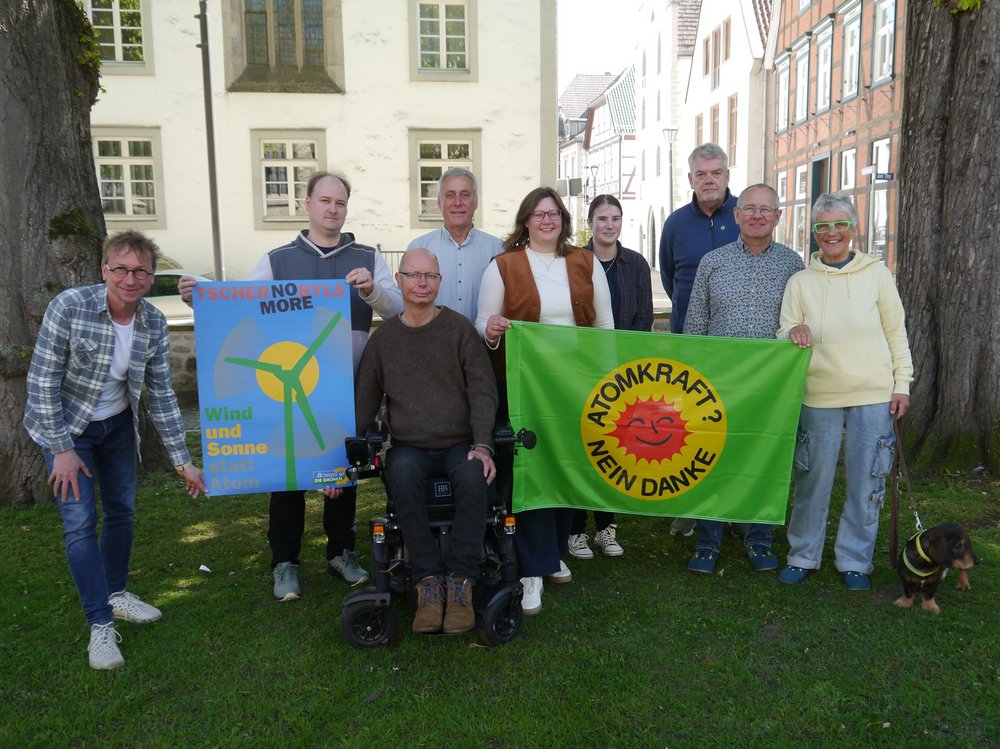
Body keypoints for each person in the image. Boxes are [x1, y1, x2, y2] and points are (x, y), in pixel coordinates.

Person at [180, 171, 403, 601]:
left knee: (343, 471)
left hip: (346, 388)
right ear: (307, 204)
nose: (332, 209)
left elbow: (395, 309)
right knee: (287, 474)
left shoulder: (368, 256)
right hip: (288, 387)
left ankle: (341, 552)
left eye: (340, 202)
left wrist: (373, 290)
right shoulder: (277, 259)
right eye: (325, 201)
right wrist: (201, 298)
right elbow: (241, 307)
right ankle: (285, 561)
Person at [24, 230, 209, 670]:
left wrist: (183, 462)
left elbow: (161, 395)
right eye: (121, 269)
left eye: (141, 271)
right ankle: (100, 624)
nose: (130, 279)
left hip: (119, 426)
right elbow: (42, 382)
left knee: (122, 510)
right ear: (104, 269)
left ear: (152, 276)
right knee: (79, 523)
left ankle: (115, 592)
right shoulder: (69, 306)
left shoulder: (153, 321)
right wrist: (62, 449)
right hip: (67, 430)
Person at [476, 187, 614, 615]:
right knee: (532, 472)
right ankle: (531, 568)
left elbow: (605, 325)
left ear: (564, 220)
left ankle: (551, 553)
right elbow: (482, 322)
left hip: (576, 386)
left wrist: (606, 382)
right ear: (526, 221)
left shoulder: (586, 262)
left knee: (567, 467)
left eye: (553, 213)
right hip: (525, 387)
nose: (547, 221)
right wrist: (491, 329)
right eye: (538, 214)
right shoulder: (503, 266)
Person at [352, 247, 498, 634]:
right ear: (399, 281)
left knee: (474, 475)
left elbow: (483, 391)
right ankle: (428, 582)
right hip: (409, 447)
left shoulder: (459, 330)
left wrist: (482, 444)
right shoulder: (384, 341)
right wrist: (341, 454)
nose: (422, 282)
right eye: (413, 275)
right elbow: (364, 402)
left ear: (439, 281)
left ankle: (462, 582)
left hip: (460, 443)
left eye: (430, 275)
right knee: (400, 474)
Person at [777, 193, 913, 591]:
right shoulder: (800, 282)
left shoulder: (877, 274)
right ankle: (803, 554)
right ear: (814, 232)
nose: (832, 233)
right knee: (811, 480)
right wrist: (793, 331)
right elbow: (784, 329)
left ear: (853, 229)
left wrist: (902, 384)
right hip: (818, 394)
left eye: (840, 224)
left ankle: (855, 559)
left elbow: (896, 332)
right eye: (823, 226)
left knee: (866, 482)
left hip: (873, 393)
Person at [682, 184, 804, 574]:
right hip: (718, 383)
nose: (757, 216)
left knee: (763, 459)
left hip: (771, 386)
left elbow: (800, 321)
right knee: (711, 459)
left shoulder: (793, 265)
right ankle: (708, 540)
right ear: (736, 215)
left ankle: (758, 537)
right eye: (749, 208)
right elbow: (695, 325)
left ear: (778, 217)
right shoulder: (712, 262)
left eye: (765, 209)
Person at [659, 143, 740, 537]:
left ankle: (739, 508)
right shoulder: (675, 223)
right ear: (690, 179)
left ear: (727, 175)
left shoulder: (745, 215)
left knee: (737, 426)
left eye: (716, 172)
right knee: (692, 428)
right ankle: (692, 506)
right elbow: (669, 278)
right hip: (689, 345)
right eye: (701, 174)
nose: (709, 180)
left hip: (738, 346)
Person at [567, 194, 653, 561]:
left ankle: (606, 527)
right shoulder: (573, 262)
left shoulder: (636, 264)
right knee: (578, 450)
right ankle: (575, 531)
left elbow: (644, 319)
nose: (609, 225)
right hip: (581, 369)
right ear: (590, 222)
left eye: (615, 218)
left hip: (621, 374)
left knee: (613, 450)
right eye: (602, 218)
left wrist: (629, 369)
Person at [406, 167, 502, 322]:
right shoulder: (418, 248)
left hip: (482, 338)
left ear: (476, 202)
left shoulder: (498, 250)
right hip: (433, 337)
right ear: (439, 203)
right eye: (450, 195)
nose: (458, 202)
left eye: (465, 195)